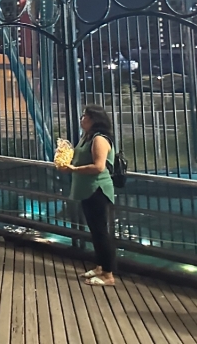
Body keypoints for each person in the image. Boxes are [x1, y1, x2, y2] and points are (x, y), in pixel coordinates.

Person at [56, 105, 118, 287]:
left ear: (94, 120)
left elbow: (99, 166)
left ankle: (108, 274)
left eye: (85, 116)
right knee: (95, 230)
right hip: (86, 189)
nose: (82, 119)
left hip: (97, 189)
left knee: (100, 232)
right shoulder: (87, 137)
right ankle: (100, 266)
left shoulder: (99, 139)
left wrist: (74, 169)